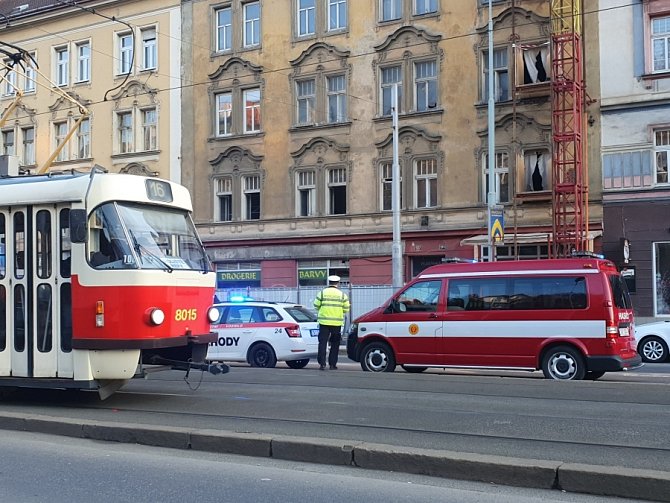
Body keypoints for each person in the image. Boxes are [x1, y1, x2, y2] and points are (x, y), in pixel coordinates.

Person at [314, 275, 350, 370]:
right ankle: (332, 364)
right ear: (337, 283)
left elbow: (316, 305)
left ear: (329, 282)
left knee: (322, 343)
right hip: (336, 324)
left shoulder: (322, 293)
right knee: (335, 344)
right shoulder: (342, 295)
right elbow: (346, 308)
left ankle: (322, 364)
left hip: (324, 322)